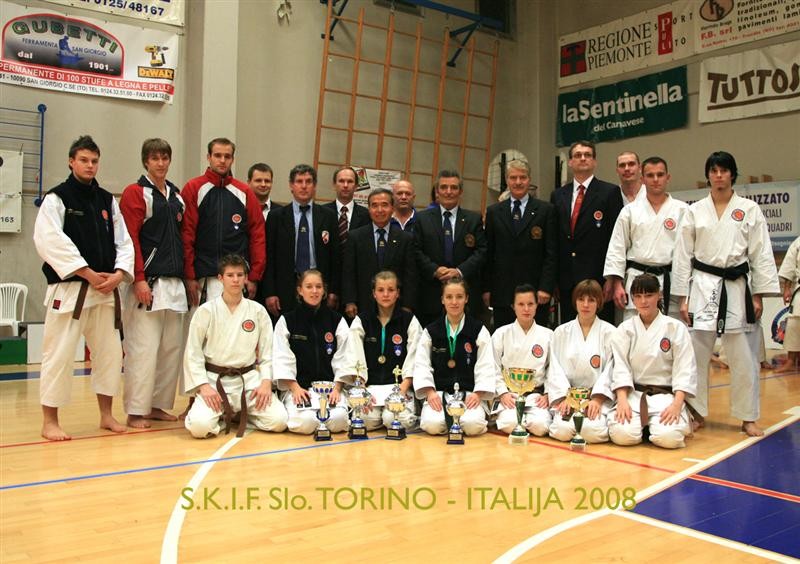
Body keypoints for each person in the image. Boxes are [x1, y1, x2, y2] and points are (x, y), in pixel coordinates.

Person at [33, 135, 134, 440]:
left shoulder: (106, 200)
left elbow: (124, 241)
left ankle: (106, 415)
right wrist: (87, 273)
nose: (90, 166)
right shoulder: (57, 198)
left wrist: (119, 274)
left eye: (94, 161)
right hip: (70, 290)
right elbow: (50, 241)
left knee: (110, 355)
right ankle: (49, 421)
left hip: (105, 289)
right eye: (84, 160)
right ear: (71, 161)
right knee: (59, 354)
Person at [673, 151, 779, 437]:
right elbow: (682, 255)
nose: (718, 175)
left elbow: (760, 253)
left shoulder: (749, 209)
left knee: (743, 356)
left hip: (736, 286)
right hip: (703, 286)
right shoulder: (694, 211)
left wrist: (758, 294)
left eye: (724, 170)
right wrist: (682, 296)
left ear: (733, 174)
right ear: (708, 175)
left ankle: (748, 417)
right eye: (714, 170)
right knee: (696, 354)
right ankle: (696, 412)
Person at [119, 138, 187, 428]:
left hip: (174, 283)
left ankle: (157, 405)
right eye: (155, 158)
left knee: (171, 349)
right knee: (143, 349)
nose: (161, 163)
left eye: (165, 158)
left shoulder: (176, 195)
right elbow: (130, 239)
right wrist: (138, 278)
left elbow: (183, 239)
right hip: (147, 282)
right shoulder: (135, 193)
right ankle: (136, 410)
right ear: (146, 161)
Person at [183, 255, 288, 438]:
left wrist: (265, 383)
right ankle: (225, 414)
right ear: (220, 278)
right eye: (230, 275)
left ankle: (240, 414)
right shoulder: (206, 311)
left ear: (246, 278)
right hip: (215, 381)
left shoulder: (257, 311)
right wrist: (203, 386)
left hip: (248, 381)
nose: (235, 280)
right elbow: (193, 353)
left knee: (279, 421)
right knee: (199, 427)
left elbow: (267, 353)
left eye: (240, 275)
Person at [608, 274, 697, 449]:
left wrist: (677, 404)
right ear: (632, 298)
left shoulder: (675, 328)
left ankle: (653, 426)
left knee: (669, 439)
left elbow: (685, 369)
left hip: (666, 397)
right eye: (638, 296)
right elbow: (620, 367)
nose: (643, 301)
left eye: (649, 295)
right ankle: (645, 427)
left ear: (659, 295)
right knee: (622, 435)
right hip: (634, 396)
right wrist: (622, 400)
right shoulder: (625, 330)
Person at [181, 138, 265, 305]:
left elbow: (258, 236)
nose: (222, 160)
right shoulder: (194, 188)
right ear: (208, 157)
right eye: (217, 155)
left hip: (236, 277)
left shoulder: (244, 192)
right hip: (203, 278)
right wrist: (189, 275)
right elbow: (186, 234)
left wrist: (254, 276)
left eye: (227, 156)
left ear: (232, 159)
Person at [604, 157, 688, 322]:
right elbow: (617, 248)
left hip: (670, 282)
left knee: (670, 332)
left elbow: (687, 254)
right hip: (637, 280)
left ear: (668, 177)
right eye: (650, 175)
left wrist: (684, 293)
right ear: (642, 179)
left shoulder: (682, 210)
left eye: (660, 175)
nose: (655, 180)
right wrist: (617, 283)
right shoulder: (629, 211)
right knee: (634, 331)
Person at [413, 277, 497, 436]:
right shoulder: (431, 331)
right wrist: (430, 392)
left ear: (466, 299)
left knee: (473, 426)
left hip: (469, 392)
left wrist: (478, 394)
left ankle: (461, 421)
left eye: (459, 297)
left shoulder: (478, 330)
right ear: (442, 300)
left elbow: (485, 365)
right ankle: (451, 422)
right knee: (432, 425)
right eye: (449, 297)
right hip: (439, 392)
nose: (454, 302)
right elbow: (422, 364)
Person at [551, 141, 623, 324]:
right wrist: (554, 279)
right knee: (569, 331)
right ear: (570, 162)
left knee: (601, 331)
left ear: (595, 161)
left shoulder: (610, 192)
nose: (583, 158)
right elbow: (554, 239)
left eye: (588, 155)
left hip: (598, 280)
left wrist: (612, 278)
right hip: (567, 280)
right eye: (578, 155)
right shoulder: (558, 195)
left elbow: (616, 240)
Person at [342, 271, 421, 431]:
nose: (386, 294)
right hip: (371, 387)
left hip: (400, 387)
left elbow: (416, 357)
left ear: (397, 293)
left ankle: (397, 415)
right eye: (380, 290)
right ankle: (381, 416)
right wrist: (361, 390)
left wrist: (403, 389)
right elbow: (353, 355)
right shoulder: (362, 320)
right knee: (364, 420)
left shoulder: (409, 320)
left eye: (391, 290)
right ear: (374, 293)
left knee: (394, 420)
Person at [273, 270, 350, 434]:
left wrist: (337, 388)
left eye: (318, 287)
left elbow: (345, 357)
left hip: (330, 388)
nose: (314, 291)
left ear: (324, 291)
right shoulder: (287, 320)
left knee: (339, 420)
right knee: (306, 422)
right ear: (300, 290)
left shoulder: (336, 320)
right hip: (299, 388)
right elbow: (281, 357)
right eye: (309, 287)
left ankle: (324, 419)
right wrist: (294, 388)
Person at [483, 159, 557, 328]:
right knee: (504, 338)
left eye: (522, 177)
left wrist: (546, 287)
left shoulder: (545, 211)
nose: (518, 182)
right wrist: (487, 289)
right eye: (513, 177)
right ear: (507, 180)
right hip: (502, 292)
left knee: (536, 339)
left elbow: (551, 253)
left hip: (535, 292)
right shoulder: (494, 212)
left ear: (529, 180)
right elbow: (488, 254)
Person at [262, 164, 340, 317]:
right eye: (299, 181)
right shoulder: (276, 216)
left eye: (308, 181)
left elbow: (335, 257)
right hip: (286, 286)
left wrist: (333, 291)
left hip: (318, 286)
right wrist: (270, 292)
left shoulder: (328, 216)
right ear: (291, 185)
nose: (304, 186)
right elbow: (269, 257)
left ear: (314, 186)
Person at [414, 170, 487, 327]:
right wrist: (434, 270)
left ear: (460, 192)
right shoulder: (422, 218)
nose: (448, 192)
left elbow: (481, 251)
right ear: (437, 191)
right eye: (444, 187)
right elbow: (416, 250)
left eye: (454, 187)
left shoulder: (473, 219)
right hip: (431, 295)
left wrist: (459, 271)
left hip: (465, 295)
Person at [547, 280, 615, 443]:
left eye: (591, 300)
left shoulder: (610, 333)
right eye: (581, 299)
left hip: (596, 398)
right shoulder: (561, 332)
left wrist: (598, 399)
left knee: (592, 432)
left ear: (599, 303)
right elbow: (554, 369)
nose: (585, 305)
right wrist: (565, 398)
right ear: (575, 301)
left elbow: (612, 369)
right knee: (562, 431)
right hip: (568, 398)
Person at [342, 188, 417, 318]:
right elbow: (348, 272)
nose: (380, 210)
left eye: (384, 205)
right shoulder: (355, 236)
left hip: (396, 306)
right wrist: (350, 301)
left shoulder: (405, 238)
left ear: (392, 208)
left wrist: (407, 305)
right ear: (369, 209)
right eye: (374, 205)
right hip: (363, 304)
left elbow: (410, 275)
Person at [493, 284, 554, 437]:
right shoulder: (501, 334)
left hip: (536, 395)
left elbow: (554, 369)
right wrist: (502, 393)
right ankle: (522, 421)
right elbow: (493, 367)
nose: (526, 309)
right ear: (513, 306)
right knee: (509, 424)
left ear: (537, 305)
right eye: (521, 304)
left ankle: (527, 421)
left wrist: (548, 394)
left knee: (540, 427)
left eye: (530, 304)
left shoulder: (548, 335)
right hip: (510, 396)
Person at [323, 166, 370, 244]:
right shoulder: (322, 212)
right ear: (334, 185)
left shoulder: (366, 215)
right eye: (341, 181)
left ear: (356, 186)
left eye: (350, 181)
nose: (345, 185)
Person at [777, 236, 800, 373]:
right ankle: (791, 360)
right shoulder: (798, 242)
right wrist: (786, 288)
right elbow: (789, 266)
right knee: (794, 325)